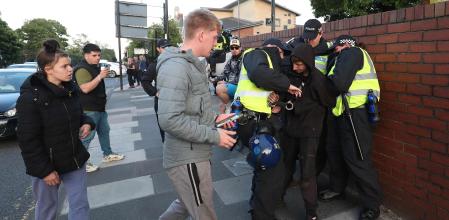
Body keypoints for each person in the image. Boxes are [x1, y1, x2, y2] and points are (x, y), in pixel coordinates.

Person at [157, 9, 237, 220]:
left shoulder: (192, 64)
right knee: (204, 213)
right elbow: (170, 119)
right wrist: (214, 136)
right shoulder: (176, 67)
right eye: (214, 38)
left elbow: (195, 109)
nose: (216, 44)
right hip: (187, 157)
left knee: (185, 205)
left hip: (194, 153)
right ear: (201, 34)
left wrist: (215, 119)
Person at [17, 39, 95, 220]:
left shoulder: (70, 89)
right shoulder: (30, 98)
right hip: (48, 165)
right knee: (46, 209)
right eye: (65, 66)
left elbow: (80, 114)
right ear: (48, 69)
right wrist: (44, 170)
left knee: (80, 204)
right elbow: (28, 139)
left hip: (75, 159)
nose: (70, 69)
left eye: (70, 65)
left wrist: (88, 123)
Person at [234, 37, 301, 220]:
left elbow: (261, 91)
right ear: (275, 49)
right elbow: (260, 74)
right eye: (281, 53)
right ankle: (262, 215)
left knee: (263, 167)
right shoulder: (257, 54)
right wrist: (288, 85)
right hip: (255, 122)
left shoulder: (262, 58)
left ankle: (256, 209)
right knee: (273, 174)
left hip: (258, 121)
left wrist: (277, 103)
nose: (282, 58)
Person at [320, 35, 382, 220]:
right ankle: (337, 188)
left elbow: (338, 83)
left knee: (358, 159)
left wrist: (324, 83)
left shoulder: (352, 52)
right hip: (340, 113)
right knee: (335, 152)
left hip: (355, 114)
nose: (334, 52)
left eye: (336, 48)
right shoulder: (343, 56)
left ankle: (372, 206)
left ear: (345, 45)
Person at [273, 43, 336, 220]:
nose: (295, 67)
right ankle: (277, 198)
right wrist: (278, 100)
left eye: (299, 64)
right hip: (291, 129)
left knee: (307, 174)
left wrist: (300, 106)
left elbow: (328, 102)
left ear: (308, 62)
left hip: (310, 131)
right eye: (294, 63)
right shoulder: (291, 75)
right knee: (285, 166)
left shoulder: (319, 80)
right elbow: (284, 96)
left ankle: (311, 213)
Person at [74, 43, 125, 173]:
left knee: (104, 131)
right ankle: (82, 163)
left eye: (99, 55)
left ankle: (107, 154)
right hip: (89, 109)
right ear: (86, 55)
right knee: (87, 136)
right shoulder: (82, 69)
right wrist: (100, 77)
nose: (97, 58)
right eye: (94, 55)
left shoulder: (94, 67)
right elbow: (85, 88)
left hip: (99, 108)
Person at [141, 38, 172, 143]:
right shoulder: (155, 64)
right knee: (164, 129)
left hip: (177, 100)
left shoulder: (176, 60)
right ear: (158, 49)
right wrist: (155, 92)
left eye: (168, 47)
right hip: (162, 102)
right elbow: (145, 81)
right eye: (164, 47)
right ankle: (167, 152)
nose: (167, 49)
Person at [215, 37, 242, 113]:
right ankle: (226, 107)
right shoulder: (231, 59)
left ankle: (228, 106)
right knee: (218, 84)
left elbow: (240, 78)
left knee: (219, 89)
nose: (234, 50)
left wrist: (226, 83)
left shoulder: (243, 59)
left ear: (240, 48)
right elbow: (225, 72)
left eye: (236, 47)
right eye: (232, 48)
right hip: (233, 84)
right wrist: (215, 79)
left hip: (240, 86)